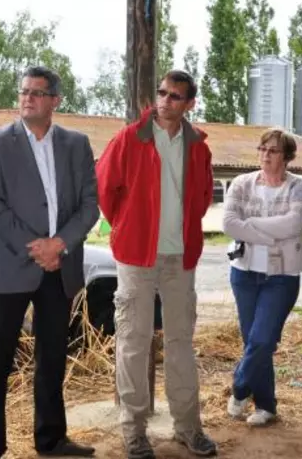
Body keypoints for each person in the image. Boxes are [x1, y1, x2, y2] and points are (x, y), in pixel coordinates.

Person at [0, 66, 99, 458]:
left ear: (55, 101)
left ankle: (51, 441)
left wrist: (58, 244)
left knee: (52, 359)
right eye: (23, 91)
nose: (27, 98)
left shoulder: (76, 144)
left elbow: (89, 205)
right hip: (13, 266)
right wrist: (36, 247)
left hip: (59, 270)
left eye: (37, 93)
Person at [96, 70, 217, 458]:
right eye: (162, 93)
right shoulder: (130, 139)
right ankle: (133, 430)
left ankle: (188, 427)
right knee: (134, 342)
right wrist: (129, 227)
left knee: (181, 343)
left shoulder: (199, 146)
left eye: (175, 96)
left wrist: (178, 234)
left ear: (189, 104)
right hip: (136, 257)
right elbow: (105, 189)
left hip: (180, 258)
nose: (165, 101)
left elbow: (200, 199)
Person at [222, 129, 302, 426]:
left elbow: (294, 223)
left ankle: (239, 387)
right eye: (262, 149)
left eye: (272, 151)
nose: (265, 155)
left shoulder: (300, 187)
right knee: (253, 342)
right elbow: (229, 224)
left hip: (282, 276)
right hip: (244, 274)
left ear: (286, 157)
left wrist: (252, 225)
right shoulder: (240, 183)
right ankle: (266, 406)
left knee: (263, 340)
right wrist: (269, 232)